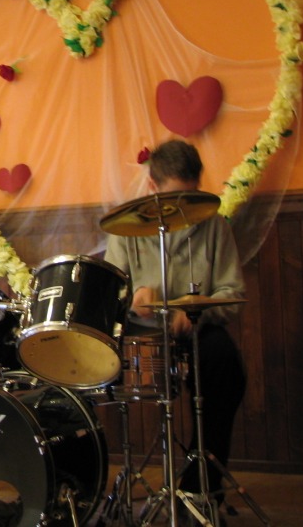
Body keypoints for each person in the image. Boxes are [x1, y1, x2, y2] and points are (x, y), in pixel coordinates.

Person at [104, 139, 247, 513]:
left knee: (227, 369)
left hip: (197, 329)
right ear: (153, 186)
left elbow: (232, 291)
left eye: (191, 194)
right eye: (174, 196)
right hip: (144, 332)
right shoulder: (124, 228)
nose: (185, 205)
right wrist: (132, 301)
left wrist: (199, 311)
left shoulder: (214, 225)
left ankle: (203, 487)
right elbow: (112, 294)